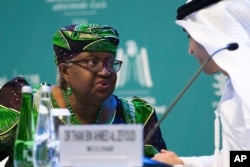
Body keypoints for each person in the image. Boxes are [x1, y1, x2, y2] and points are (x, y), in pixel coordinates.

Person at [0, 23, 167, 166]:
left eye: (110, 62)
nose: (105, 72)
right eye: (93, 62)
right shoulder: (26, 105)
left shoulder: (137, 117)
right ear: (65, 70)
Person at [152, 0, 250, 167]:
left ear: (213, 35)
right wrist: (182, 162)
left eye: (190, 36)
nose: (190, 50)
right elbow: (235, 159)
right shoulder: (236, 85)